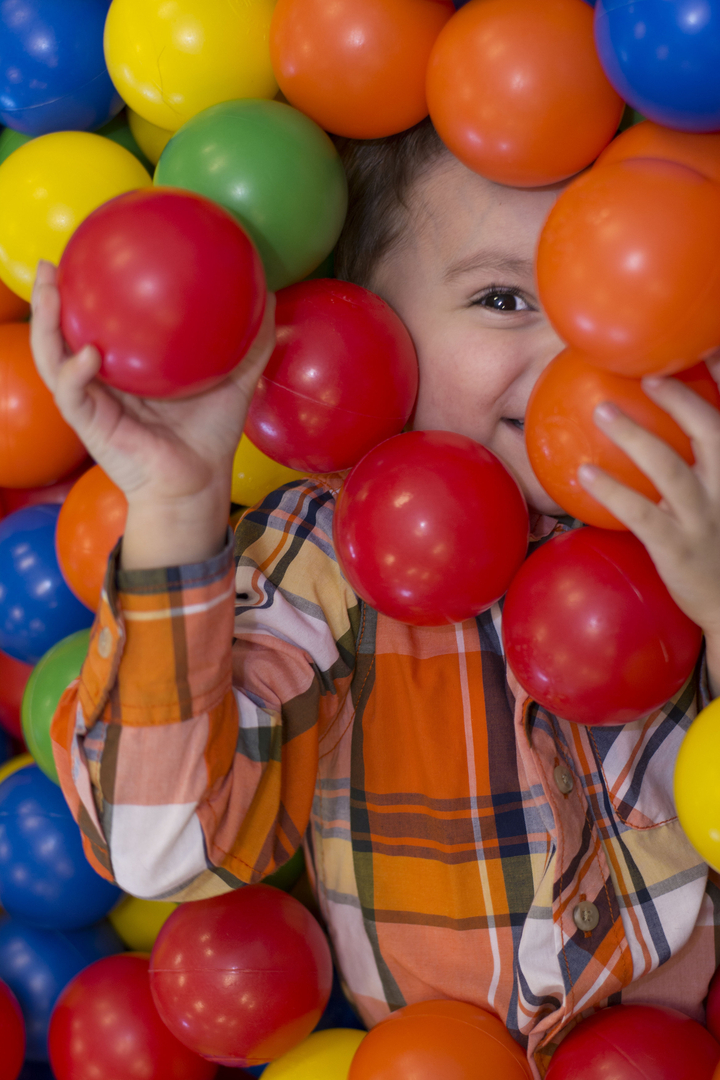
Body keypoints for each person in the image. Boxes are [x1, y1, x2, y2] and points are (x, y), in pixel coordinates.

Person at [31, 118, 720, 1076]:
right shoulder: (326, 554)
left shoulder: (702, 517)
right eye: (503, 296)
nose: (582, 354)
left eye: (626, 298)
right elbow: (164, 849)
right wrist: (178, 507)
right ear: (370, 327)